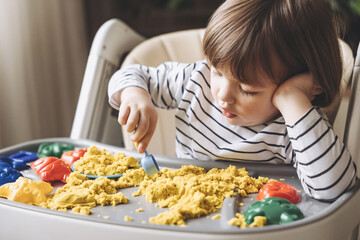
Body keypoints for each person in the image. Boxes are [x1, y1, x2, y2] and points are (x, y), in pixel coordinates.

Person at [107, 0, 357, 201]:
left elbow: (333, 188)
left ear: (304, 85)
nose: (222, 95)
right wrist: (134, 94)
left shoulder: (296, 126)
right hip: (185, 212)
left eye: (248, 89)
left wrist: (292, 99)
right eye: (217, 71)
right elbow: (130, 74)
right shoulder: (196, 81)